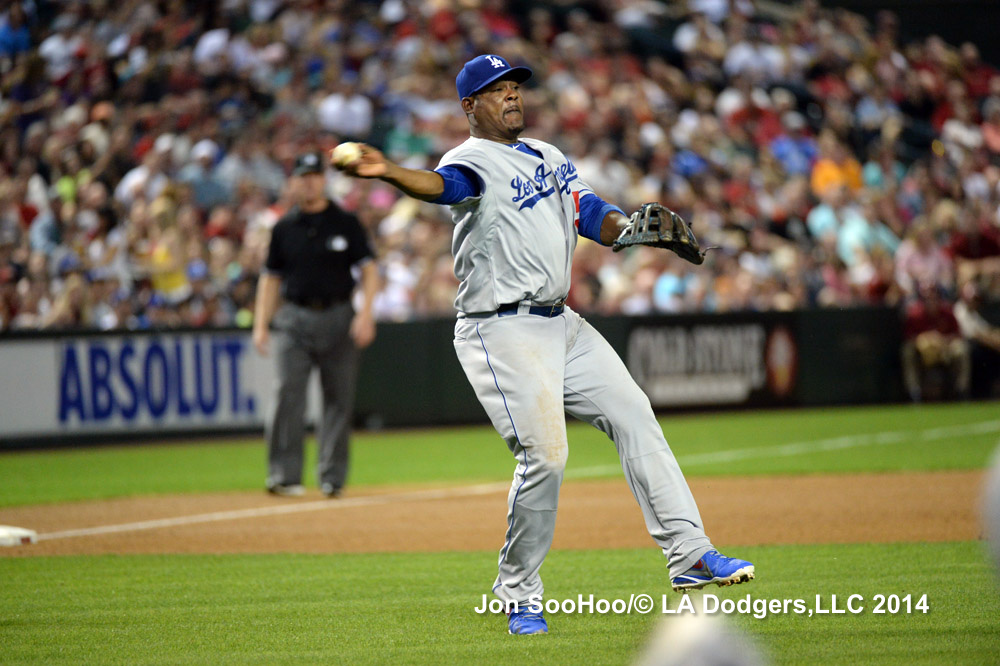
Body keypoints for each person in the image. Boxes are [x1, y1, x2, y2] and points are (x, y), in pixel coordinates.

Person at [333, 54, 754, 635]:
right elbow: (441, 187)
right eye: (495, 90)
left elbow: (589, 211)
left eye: (514, 87)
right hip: (499, 328)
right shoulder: (469, 160)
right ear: (469, 106)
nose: (510, 96)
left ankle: (689, 555)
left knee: (635, 414)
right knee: (547, 457)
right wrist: (387, 172)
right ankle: (517, 593)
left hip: (561, 322)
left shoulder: (547, 155)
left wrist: (628, 230)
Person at [252, 151, 378, 498]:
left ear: (324, 179)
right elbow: (270, 279)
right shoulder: (283, 227)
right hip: (293, 317)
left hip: (339, 315)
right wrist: (261, 324)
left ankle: (331, 477)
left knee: (338, 398)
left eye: (314, 175)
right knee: (287, 395)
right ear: (294, 181)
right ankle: (283, 475)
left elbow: (369, 269)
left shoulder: (346, 222)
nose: (309, 181)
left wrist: (366, 314)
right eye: (303, 175)